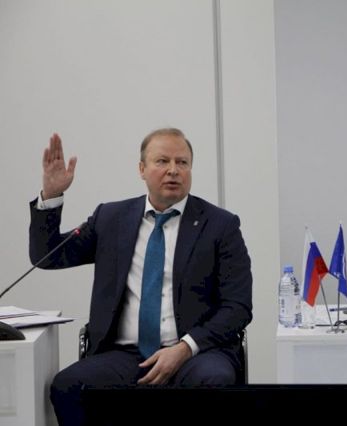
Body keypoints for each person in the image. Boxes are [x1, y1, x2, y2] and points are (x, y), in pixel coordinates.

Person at [29, 129, 252, 425]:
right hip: (125, 354)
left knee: (215, 381)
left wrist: (185, 347)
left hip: (196, 352)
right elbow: (48, 257)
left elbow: (238, 307)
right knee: (68, 385)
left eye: (182, 162)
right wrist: (51, 196)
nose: (173, 170)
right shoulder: (111, 218)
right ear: (141, 169)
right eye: (162, 161)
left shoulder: (220, 225)